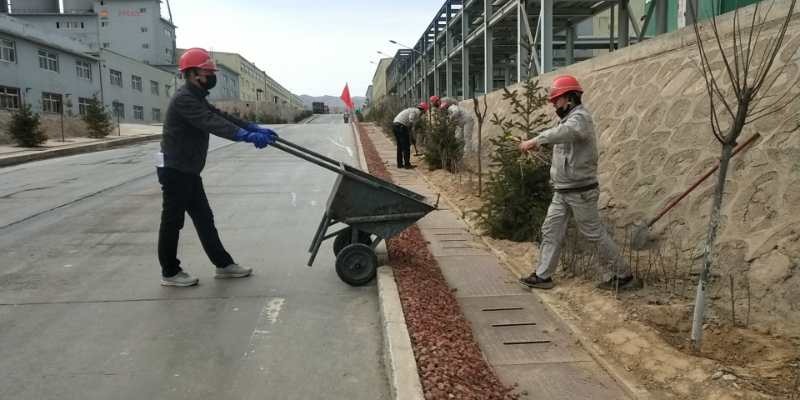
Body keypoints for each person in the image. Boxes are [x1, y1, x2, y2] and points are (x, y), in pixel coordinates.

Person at [157, 47, 278, 287]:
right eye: (208, 72)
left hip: (188, 170)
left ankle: (223, 265)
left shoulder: (197, 97)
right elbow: (211, 122)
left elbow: (220, 116)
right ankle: (170, 272)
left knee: (204, 218)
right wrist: (243, 135)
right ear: (193, 74)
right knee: (173, 221)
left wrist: (251, 127)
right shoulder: (184, 99)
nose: (212, 76)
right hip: (174, 169)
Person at [517, 75, 640, 291]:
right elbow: (563, 140)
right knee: (551, 230)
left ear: (570, 98)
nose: (554, 104)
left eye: (556, 100)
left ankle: (624, 276)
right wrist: (540, 146)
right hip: (563, 190)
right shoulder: (567, 120)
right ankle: (543, 276)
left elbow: (565, 133)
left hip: (581, 191)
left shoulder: (580, 119)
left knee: (593, 233)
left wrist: (535, 140)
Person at [392, 102, 429, 169]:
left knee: (400, 146)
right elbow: (411, 120)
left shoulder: (412, 110)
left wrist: (410, 132)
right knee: (406, 146)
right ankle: (407, 165)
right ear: (423, 110)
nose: (424, 113)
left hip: (395, 125)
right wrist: (410, 132)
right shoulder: (416, 111)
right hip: (401, 126)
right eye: (425, 112)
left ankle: (399, 164)